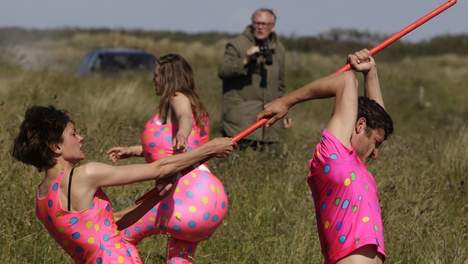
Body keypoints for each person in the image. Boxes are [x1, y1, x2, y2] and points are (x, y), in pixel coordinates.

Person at [11, 105, 234, 264]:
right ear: (56, 147)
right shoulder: (84, 175)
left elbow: (112, 223)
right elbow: (160, 168)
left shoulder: (41, 198)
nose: (81, 138)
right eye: (73, 133)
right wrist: (209, 149)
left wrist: (156, 197)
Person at [257, 49, 393, 264]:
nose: (376, 153)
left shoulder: (356, 165)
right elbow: (346, 80)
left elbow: (379, 120)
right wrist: (286, 102)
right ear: (360, 125)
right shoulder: (334, 155)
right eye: (375, 143)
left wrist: (371, 72)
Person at [107, 54, 230, 264]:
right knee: (179, 257)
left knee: (119, 233)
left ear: (167, 77)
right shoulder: (194, 103)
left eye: (156, 75)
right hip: (209, 198)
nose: (153, 80)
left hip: (186, 192)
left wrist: (183, 131)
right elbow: (170, 148)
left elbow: (184, 117)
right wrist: (133, 150)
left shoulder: (177, 96)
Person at [218, 8, 291, 151]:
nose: (260, 27)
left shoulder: (278, 48)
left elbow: (280, 85)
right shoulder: (237, 45)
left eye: (265, 24)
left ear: (272, 25)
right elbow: (223, 71)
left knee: (268, 165)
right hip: (240, 121)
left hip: (268, 122)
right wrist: (245, 60)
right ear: (252, 24)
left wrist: (286, 111)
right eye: (257, 23)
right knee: (237, 164)